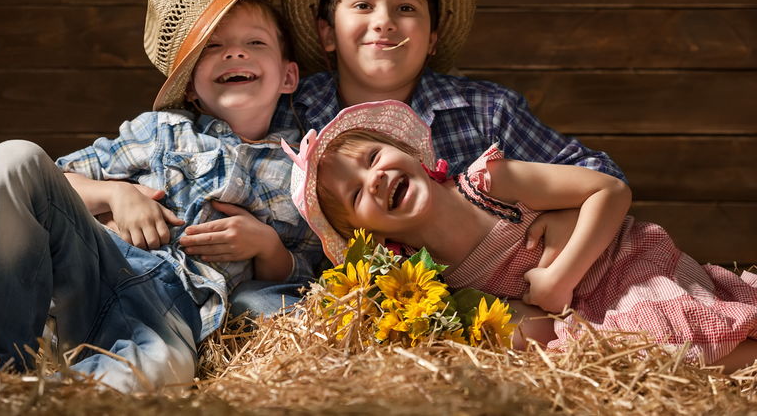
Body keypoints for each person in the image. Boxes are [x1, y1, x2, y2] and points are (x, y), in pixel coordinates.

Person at [230, 0, 626, 316]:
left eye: (406, 8)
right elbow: (208, 136)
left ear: (433, 38)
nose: (384, 21)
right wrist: (152, 191)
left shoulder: (486, 109)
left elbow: (601, 176)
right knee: (255, 303)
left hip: (490, 303)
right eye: (363, 6)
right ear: (327, 32)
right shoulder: (291, 107)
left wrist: (568, 218)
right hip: (352, 300)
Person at [0, 0, 322, 392]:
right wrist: (115, 194)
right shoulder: (161, 129)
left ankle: (40, 392)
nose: (234, 53)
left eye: (255, 43)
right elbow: (54, 183)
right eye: (213, 47)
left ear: (288, 76)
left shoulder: (301, 170)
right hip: (96, 263)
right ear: (191, 89)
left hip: (168, 310)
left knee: (166, 370)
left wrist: (266, 245)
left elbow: (304, 271)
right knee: (11, 159)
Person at [282, 99, 757, 373]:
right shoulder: (437, 281)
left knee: (669, 342)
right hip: (591, 320)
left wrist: (559, 278)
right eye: (357, 193)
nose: (376, 179)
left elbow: (609, 191)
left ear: (403, 149)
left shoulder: (492, 184)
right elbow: (532, 324)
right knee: (619, 361)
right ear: (369, 235)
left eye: (372, 160)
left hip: (628, 269)